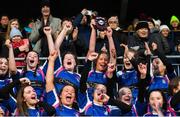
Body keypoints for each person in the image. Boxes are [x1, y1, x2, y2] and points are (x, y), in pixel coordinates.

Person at [45, 50, 80, 116]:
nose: (69, 93)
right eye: (66, 91)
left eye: (72, 92)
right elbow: (49, 82)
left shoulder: (78, 113)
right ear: (60, 95)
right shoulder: (55, 105)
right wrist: (52, 60)